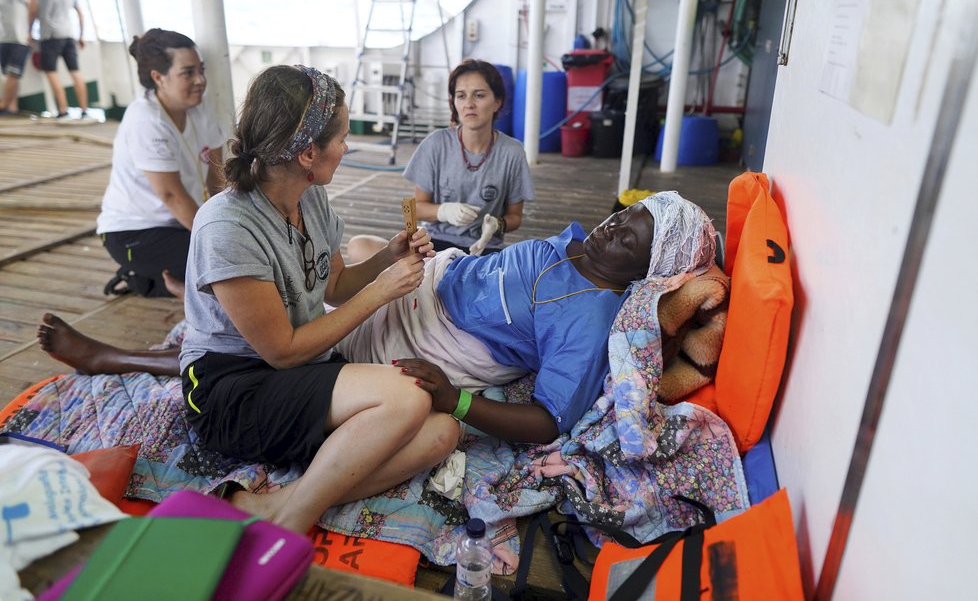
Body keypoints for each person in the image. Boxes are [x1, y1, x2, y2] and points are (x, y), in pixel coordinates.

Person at [39, 190, 717, 447]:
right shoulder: (575, 246)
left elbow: (547, 423)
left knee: (298, 350)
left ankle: (121, 359)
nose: (608, 231)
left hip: (443, 340)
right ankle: (234, 334)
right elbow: (495, 273)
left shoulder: (589, 319)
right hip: (439, 283)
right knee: (358, 254)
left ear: (648, 270)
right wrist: (423, 254)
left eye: (628, 238)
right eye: (621, 215)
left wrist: (455, 400)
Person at [176, 64, 458, 534]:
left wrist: (390, 257)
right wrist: (379, 293)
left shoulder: (310, 198)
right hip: (232, 390)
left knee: (440, 433)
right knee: (407, 398)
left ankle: (278, 503)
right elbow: (282, 350)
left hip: (299, 372)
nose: (346, 148)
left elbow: (335, 285)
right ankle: (296, 518)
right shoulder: (226, 226)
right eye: (343, 137)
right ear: (308, 152)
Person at [347, 59, 534, 260]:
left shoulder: (512, 151)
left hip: (483, 251)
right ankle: (437, 281)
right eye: (461, 96)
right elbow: (416, 207)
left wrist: (497, 225)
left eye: (479, 95)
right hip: (433, 247)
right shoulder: (436, 143)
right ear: (453, 101)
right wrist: (443, 211)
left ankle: (433, 284)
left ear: (498, 101)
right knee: (359, 246)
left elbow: (515, 217)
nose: (469, 104)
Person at [95, 28, 224, 298]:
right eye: (188, 73)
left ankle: (168, 277)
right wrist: (220, 237)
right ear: (158, 78)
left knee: (240, 253)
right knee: (223, 266)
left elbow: (217, 175)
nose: (200, 80)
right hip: (135, 231)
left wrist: (233, 223)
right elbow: (171, 195)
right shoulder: (146, 121)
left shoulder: (199, 107)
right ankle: (141, 278)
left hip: (181, 222)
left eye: (201, 70)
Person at [25, 0, 87, 118]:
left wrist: (29, 31)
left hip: (50, 35)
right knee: (75, 71)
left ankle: (63, 110)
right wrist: (81, 36)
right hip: (69, 35)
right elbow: (81, 14)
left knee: (51, 72)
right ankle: (84, 110)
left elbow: (32, 9)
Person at [0, 0, 30, 114]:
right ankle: (13, 107)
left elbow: (32, 8)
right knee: (10, 75)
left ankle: (3, 105)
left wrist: (31, 31)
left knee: (14, 73)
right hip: (4, 40)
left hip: (21, 39)